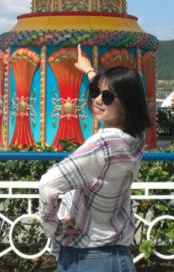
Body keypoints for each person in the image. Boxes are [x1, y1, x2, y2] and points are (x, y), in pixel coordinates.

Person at [39, 44, 150, 272]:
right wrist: (90, 71)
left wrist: (54, 227)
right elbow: (113, 96)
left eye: (107, 97)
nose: (97, 100)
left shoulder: (103, 144)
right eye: (94, 92)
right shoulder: (137, 136)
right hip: (118, 257)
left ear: (126, 106)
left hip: (87, 258)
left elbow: (47, 184)